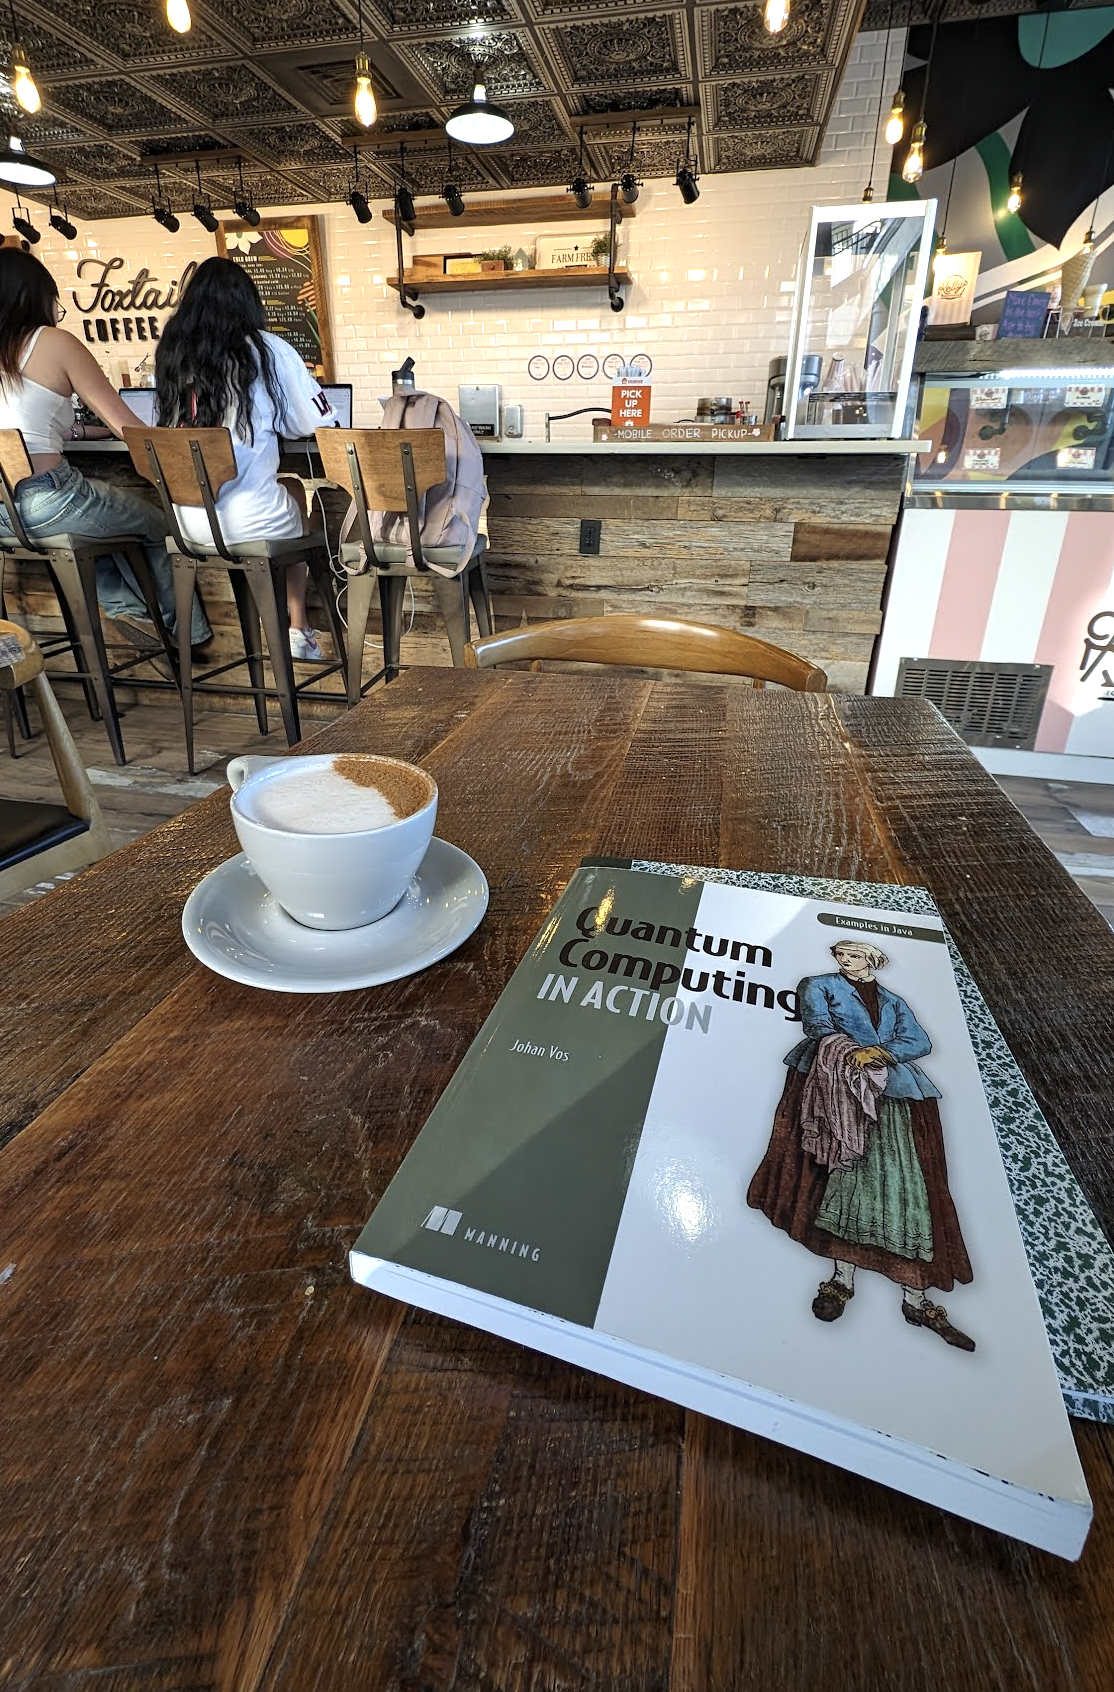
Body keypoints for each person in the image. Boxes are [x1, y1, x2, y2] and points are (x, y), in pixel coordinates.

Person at [746, 938, 976, 1352]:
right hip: (834, 1086)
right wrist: (855, 1054)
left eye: (853, 955)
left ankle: (915, 1300)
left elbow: (919, 1042)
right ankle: (841, 1281)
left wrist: (881, 1054)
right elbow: (818, 1027)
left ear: (872, 960)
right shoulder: (818, 985)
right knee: (842, 1178)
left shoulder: (893, 1000)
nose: (844, 960)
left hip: (894, 1095)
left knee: (907, 1190)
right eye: (840, 954)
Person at [0, 247, 209, 648]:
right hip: (46, 504)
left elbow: (39, 427)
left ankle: (130, 611)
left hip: (4, 516)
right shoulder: (55, 342)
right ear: (35, 297)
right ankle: (188, 636)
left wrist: (85, 433)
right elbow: (127, 427)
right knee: (156, 524)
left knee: (92, 532)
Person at [155, 256, 337, 662]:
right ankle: (298, 627)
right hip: (252, 524)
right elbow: (312, 422)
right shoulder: (266, 348)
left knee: (284, 488)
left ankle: (271, 640)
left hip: (187, 528)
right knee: (296, 492)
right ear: (248, 303)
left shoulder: (172, 352)